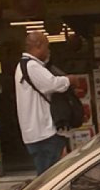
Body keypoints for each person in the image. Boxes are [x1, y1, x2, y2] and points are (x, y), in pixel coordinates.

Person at [15, 32, 71, 175]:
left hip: (37, 133)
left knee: (55, 172)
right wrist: (69, 80)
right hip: (43, 133)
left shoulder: (23, 66)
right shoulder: (32, 66)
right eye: (47, 46)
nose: (48, 50)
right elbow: (52, 84)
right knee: (51, 177)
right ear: (38, 45)